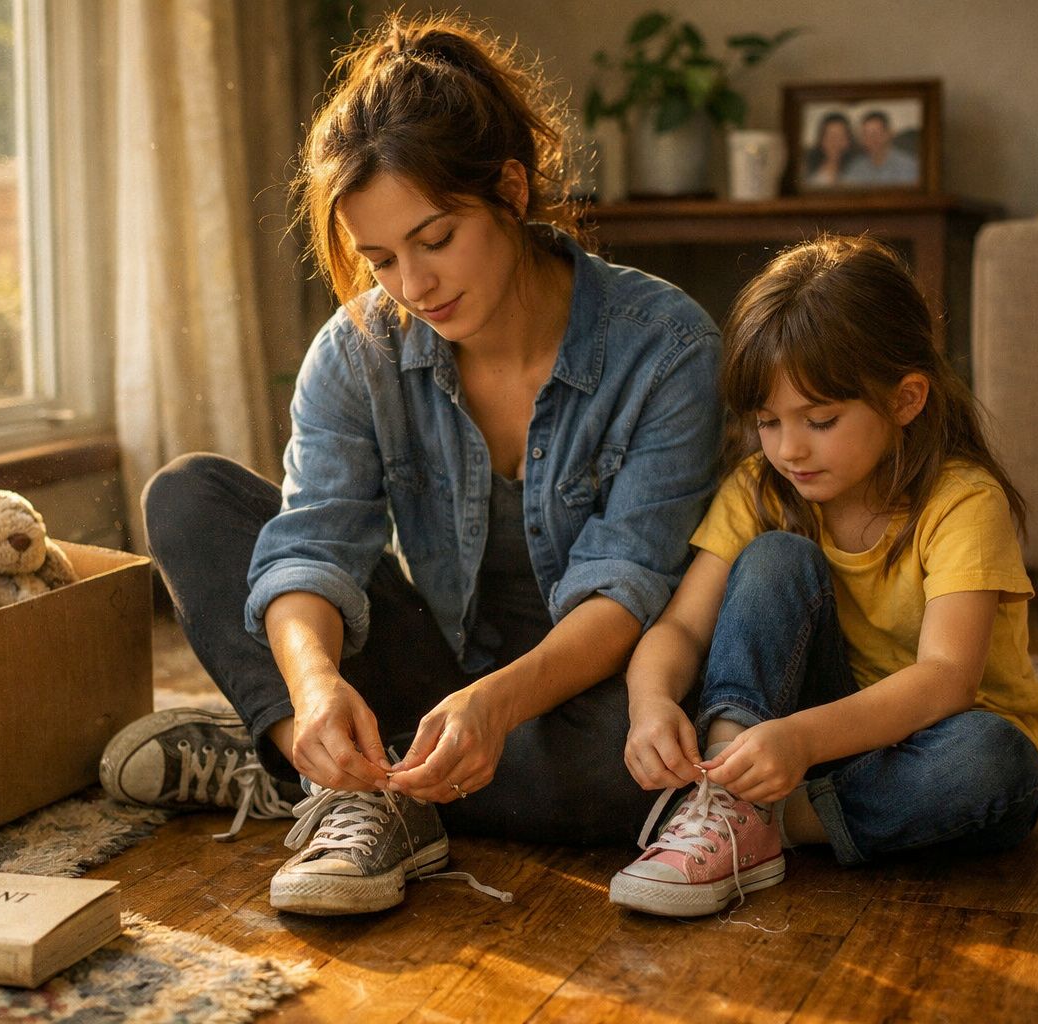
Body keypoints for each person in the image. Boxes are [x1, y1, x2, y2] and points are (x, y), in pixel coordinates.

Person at [100, 12, 721, 916]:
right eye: (381, 258)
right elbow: (313, 547)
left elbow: (628, 591)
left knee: (638, 768)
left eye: (435, 239)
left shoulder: (664, 347)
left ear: (510, 189)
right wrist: (315, 689)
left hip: (587, 688)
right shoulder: (359, 349)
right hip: (432, 669)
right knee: (188, 497)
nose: (414, 286)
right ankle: (332, 763)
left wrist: (495, 708)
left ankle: (317, 774)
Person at [607, 234, 1038, 918]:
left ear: (906, 399)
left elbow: (947, 678)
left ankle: (773, 820)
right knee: (776, 556)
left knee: (994, 763)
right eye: (768, 422)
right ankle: (731, 801)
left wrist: (801, 741)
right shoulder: (760, 489)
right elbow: (681, 626)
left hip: (932, 739)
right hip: (797, 741)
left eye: (820, 420)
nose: (789, 448)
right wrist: (649, 705)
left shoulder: (964, 501)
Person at [841, 110, 920, 186]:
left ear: (888, 134)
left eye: (875, 134)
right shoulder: (856, 167)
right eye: (865, 135)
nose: (870, 139)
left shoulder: (908, 166)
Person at [804, 112, 855, 189]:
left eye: (841, 137)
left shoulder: (857, 171)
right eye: (830, 137)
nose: (835, 143)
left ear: (848, 141)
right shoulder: (810, 175)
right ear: (821, 141)